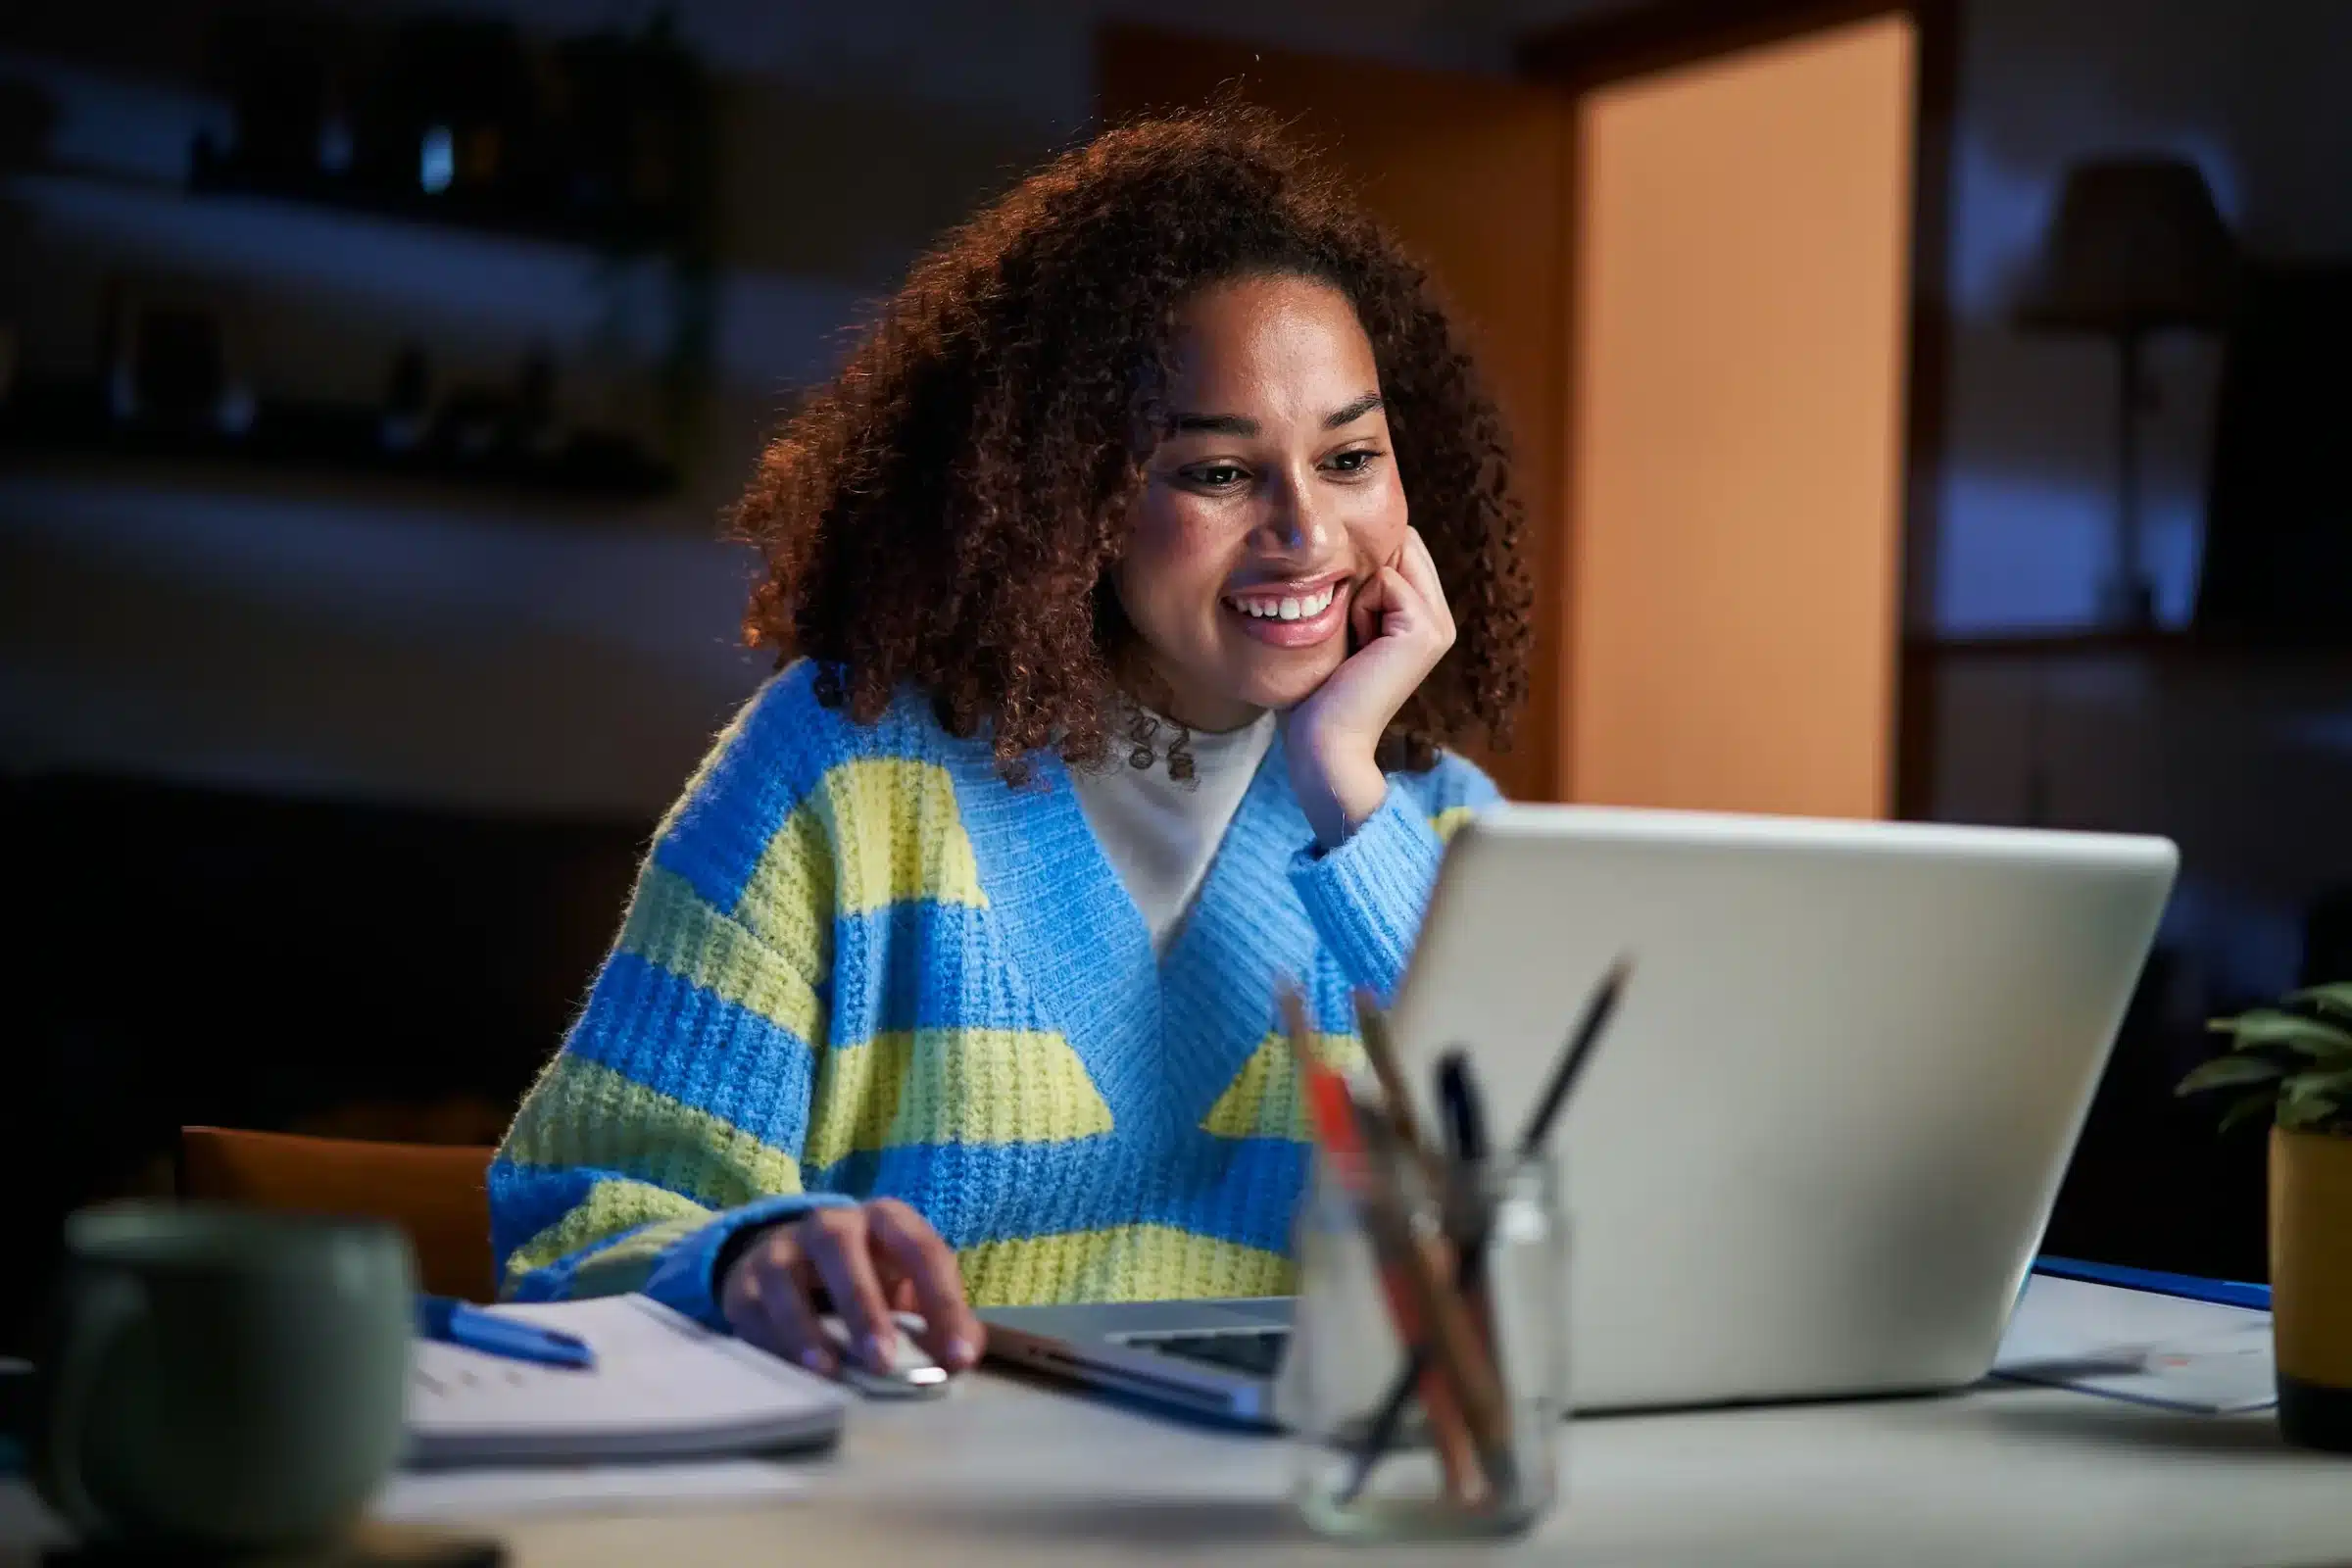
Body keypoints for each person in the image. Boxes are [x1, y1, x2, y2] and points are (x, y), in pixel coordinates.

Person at [488, 106, 1532, 1385]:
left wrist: (1344, 794)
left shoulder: (1431, 827)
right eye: (1215, 472)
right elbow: (575, 1214)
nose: (1306, 532)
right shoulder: (843, 769)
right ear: (1072, 491)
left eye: (1352, 456)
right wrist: (745, 1255)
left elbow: (1554, 1236)